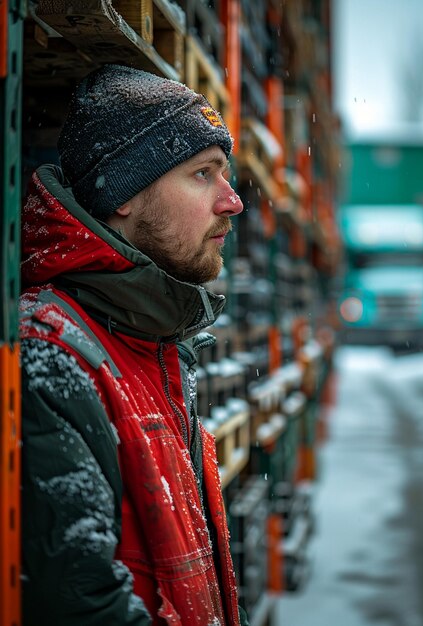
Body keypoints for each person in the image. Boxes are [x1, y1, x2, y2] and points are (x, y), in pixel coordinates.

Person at [20, 64, 248, 626]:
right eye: (203, 174)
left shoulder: (155, 344)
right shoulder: (49, 354)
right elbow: (82, 606)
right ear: (123, 194)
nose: (233, 201)